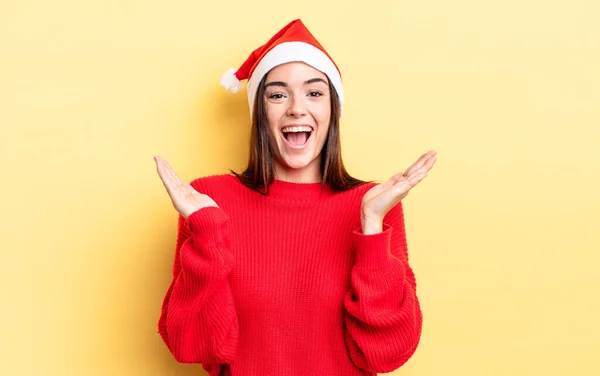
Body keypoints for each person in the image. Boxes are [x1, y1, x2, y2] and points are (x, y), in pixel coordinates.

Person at [155, 19, 437, 376]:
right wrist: (208, 233)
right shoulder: (209, 200)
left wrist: (371, 229)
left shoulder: (375, 204)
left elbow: (386, 354)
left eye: (314, 93)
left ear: (333, 110)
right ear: (260, 111)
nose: (296, 109)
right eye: (277, 94)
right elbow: (192, 344)